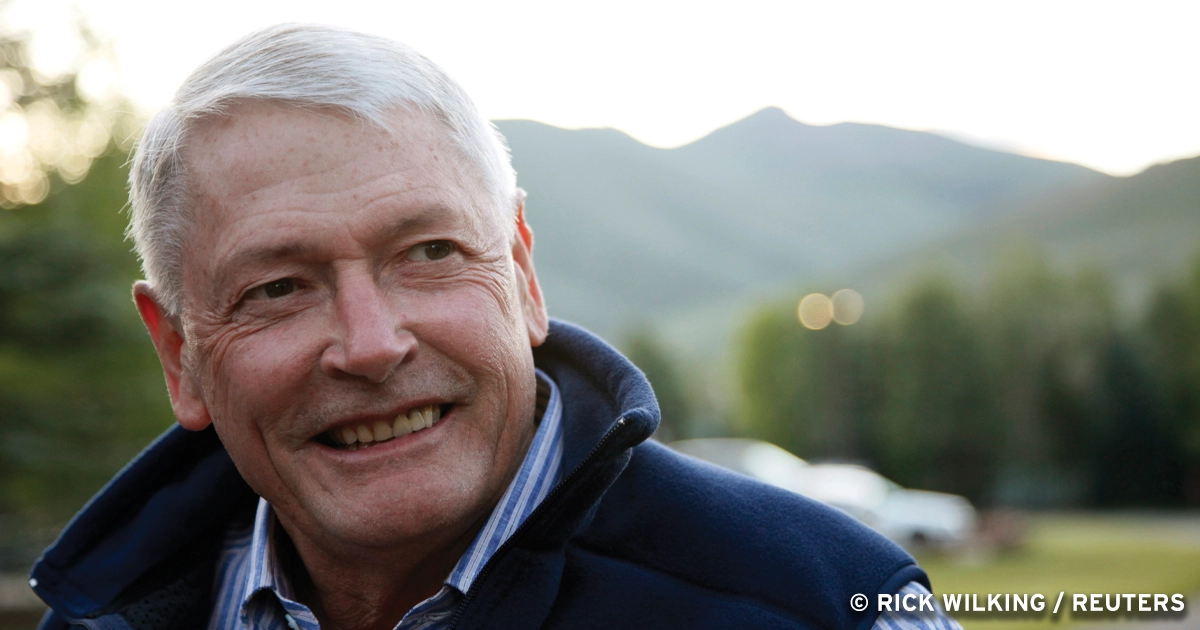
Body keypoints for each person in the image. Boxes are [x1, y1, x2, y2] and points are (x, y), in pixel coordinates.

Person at [29, 24, 959, 630]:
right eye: (278, 288)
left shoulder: (817, 606)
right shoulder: (98, 614)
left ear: (521, 274)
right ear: (180, 355)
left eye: (429, 253)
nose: (371, 344)